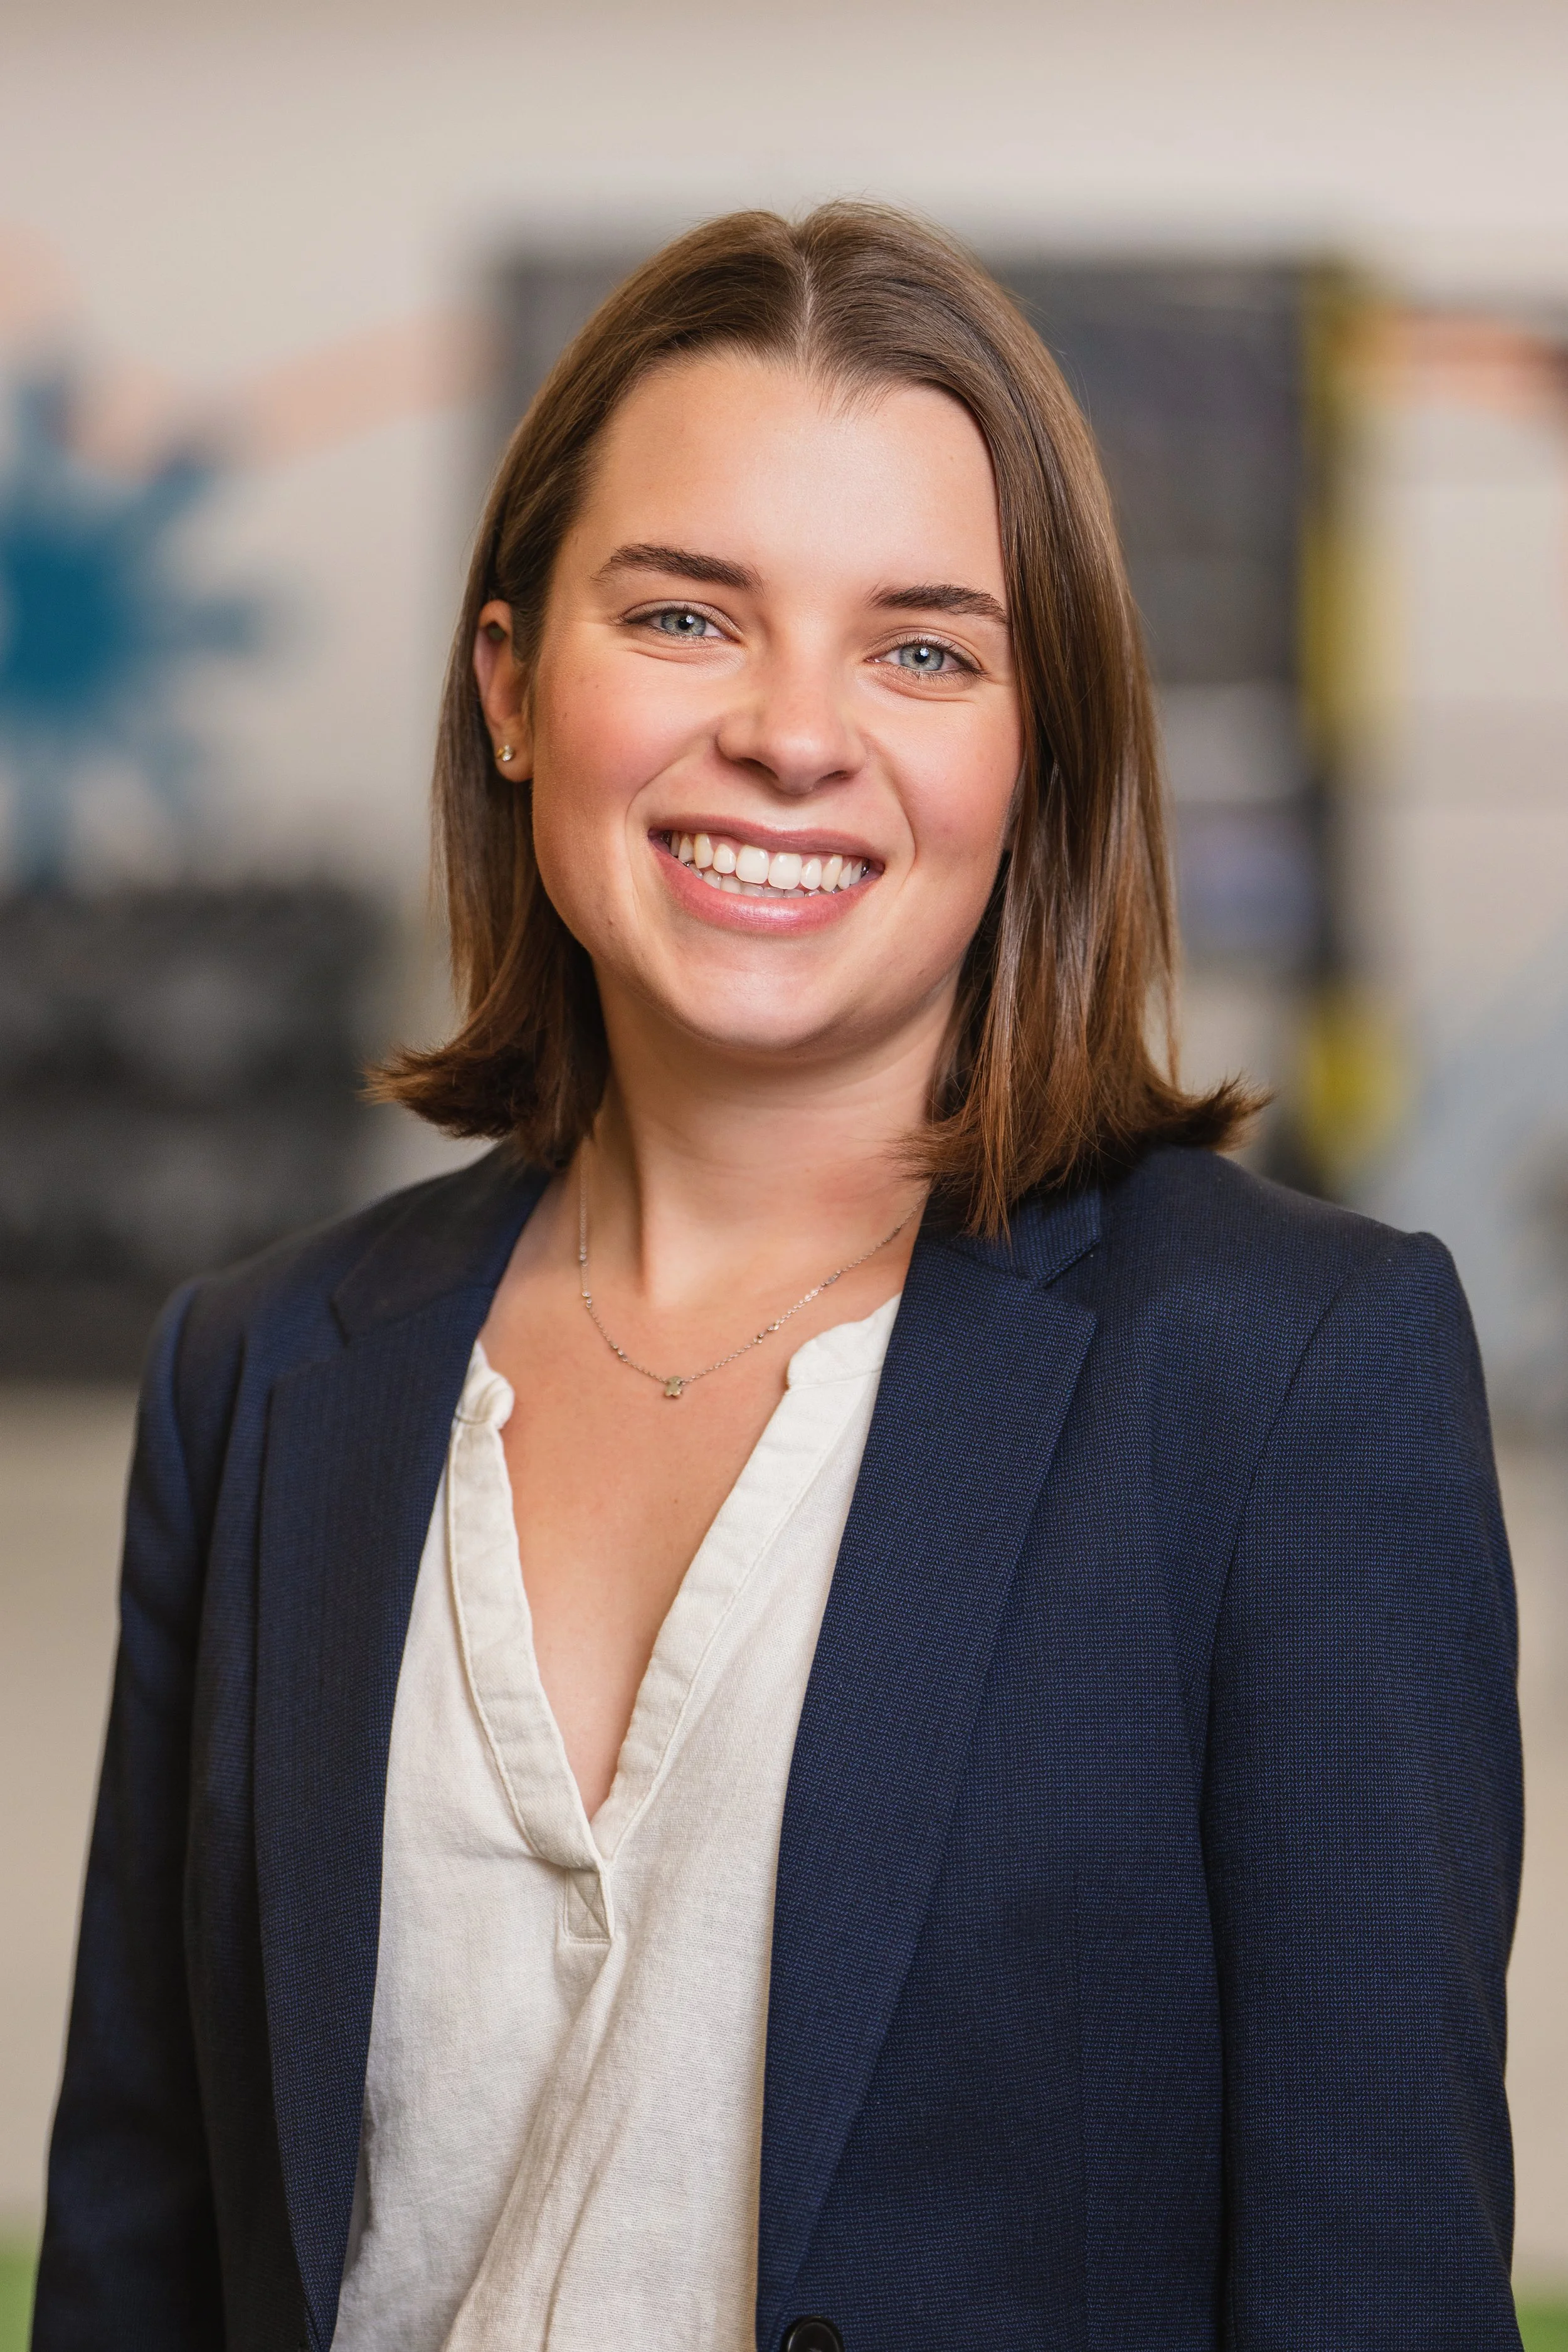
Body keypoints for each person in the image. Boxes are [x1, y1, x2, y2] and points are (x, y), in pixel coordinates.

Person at [33, 205, 1523, 2352]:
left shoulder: (1286, 1379)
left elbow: (1373, 2293)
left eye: (922, 647)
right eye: (685, 615)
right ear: (511, 685)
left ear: (1039, 758)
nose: (793, 733)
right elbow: (138, 2253)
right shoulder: (260, 1373)